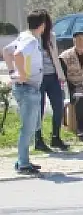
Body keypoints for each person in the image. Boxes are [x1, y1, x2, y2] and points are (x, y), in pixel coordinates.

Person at [3, 9, 49, 174]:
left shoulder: (24, 36)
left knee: (34, 125)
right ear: (42, 25)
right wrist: (21, 75)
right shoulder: (30, 40)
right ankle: (23, 163)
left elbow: (6, 52)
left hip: (29, 88)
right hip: (28, 89)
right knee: (28, 128)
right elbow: (17, 54)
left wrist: (11, 73)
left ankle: (23, 159)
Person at [34, 13, 69, 152]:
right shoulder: (31, 38)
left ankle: (56, 137)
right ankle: (38, 139)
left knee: (58, 106)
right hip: (38, 77)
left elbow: (55, 57)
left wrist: (60, 75)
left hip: (53, 76)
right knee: (39, 109)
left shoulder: (51, 36)